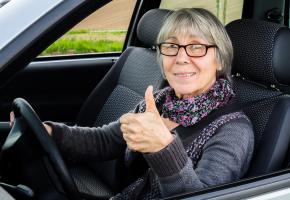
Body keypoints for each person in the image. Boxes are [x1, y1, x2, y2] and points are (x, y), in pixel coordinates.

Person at [12, 8, 254, 199]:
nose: (181, 58)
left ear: (220, 60)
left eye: (196, 47)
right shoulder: (161, 102)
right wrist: (51, 133)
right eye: (171, 46)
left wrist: (164, 150)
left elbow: (202, 197)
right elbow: (106, 140)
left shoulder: (233, 130)